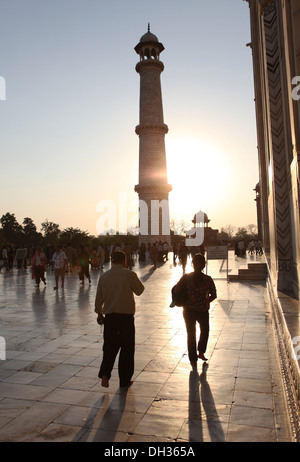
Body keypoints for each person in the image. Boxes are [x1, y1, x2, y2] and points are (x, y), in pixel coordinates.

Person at [94, 250, 144, 388]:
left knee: (109, 347)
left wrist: (99, 313)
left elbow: (99, 299)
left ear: (111, 260)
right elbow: (140, 290)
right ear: (124, 261)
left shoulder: (104, 277)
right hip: (126, 318)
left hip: (110, 318)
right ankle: (124, 380)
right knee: (127, 349)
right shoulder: (129, 275)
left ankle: (105, 375)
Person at [172, 253, 217, 368]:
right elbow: (214, 295)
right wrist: (206, 301)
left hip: (188, 310)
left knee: (191, 334)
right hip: (202, 310)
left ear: (192, 264)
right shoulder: (207, 279)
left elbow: (176, 288)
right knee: (205, 330)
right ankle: (201, 351)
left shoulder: (186, 278)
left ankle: (193, 358)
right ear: (203, 265)